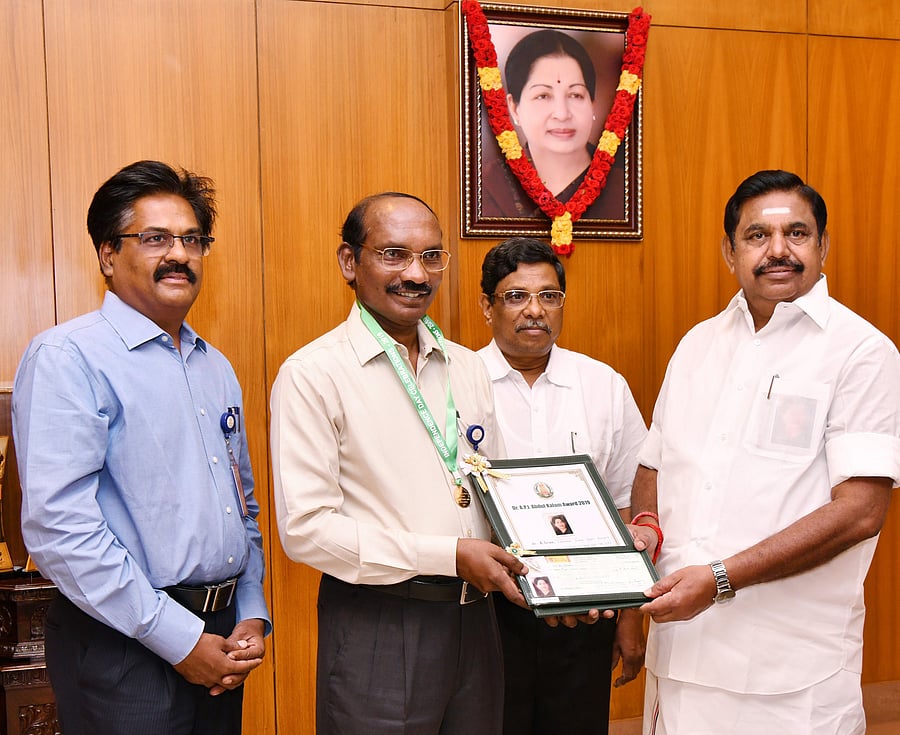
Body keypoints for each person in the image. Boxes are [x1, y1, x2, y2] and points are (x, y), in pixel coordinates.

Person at [632, 170, 900, 734]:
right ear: (729, 251)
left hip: (788, 673)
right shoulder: (698, 344)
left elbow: (860, 511)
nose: (778, 251)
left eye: (797, 234)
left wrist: (722, 577)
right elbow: (655, 463)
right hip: (680, 653)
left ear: (823, 245)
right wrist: (645, 529)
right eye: (757, 236)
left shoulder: (862, 352)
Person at [12, 160, 271, 735]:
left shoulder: (214, 365)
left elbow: (242, 504)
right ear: (108, 255)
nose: (179, 253)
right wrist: (177, 640)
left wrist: (251, 611)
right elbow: (60, 528)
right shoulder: (67, 357)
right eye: (154, 238)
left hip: (223, 637)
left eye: (192, 239)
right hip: (124, 644)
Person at [270, 192, 531, 735]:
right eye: (394, 254)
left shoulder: (466, 367)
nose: (416, 273)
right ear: (350, 262)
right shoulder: (313, 375)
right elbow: (306, 532)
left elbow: (496, 493)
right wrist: (447, 555)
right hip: (379, 624)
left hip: (476, 620)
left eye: (432, 256)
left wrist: (561, 573)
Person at [478, 237, 649, 735]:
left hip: (586, 611)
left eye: (549, 296)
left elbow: (628, 506)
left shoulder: (603, 385)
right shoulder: (455, 385)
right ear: (486, 306)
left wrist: (631, 614)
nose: (535, 311)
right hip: (487, 612)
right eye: (516, 296)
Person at [482, 29, 626, 220]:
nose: (562, 114)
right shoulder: (488, 187)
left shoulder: (624, 190)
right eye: (543, 96)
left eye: (575, 95)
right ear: (514, 107)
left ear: (595, 102)